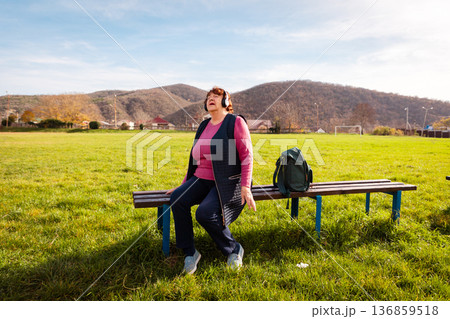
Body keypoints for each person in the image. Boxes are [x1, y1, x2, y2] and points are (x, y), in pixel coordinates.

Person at [166, 87, 256, 274]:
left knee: (204, 213)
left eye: (216, 96)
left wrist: (246, 187)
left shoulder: (235, 122)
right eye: (208, 97)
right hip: (201, 178)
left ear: (226, 102)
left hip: (227, 180)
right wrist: (184, 185)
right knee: (177, 198)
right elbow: (194, 160)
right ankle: (190, 252)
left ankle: (233, 249)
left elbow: (247, 156)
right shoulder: (203, 125)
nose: (211, 99)